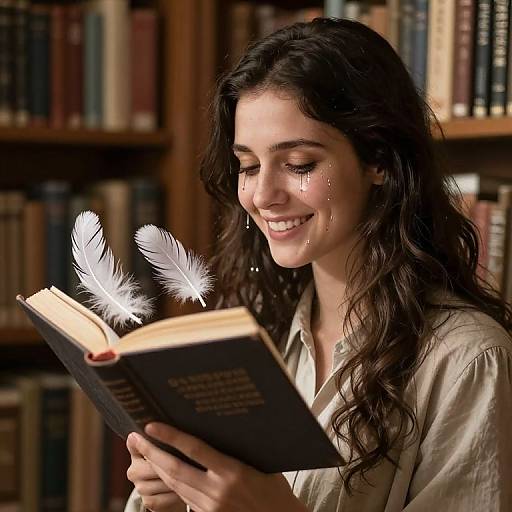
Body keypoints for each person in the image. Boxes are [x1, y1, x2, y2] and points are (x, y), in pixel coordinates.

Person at [124, 17, 512, 512]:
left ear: (379, 160)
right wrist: (175, 494)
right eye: (247, 166)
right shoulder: (256, 335)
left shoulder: (466, 361)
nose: (263, 195)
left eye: (299, 163)